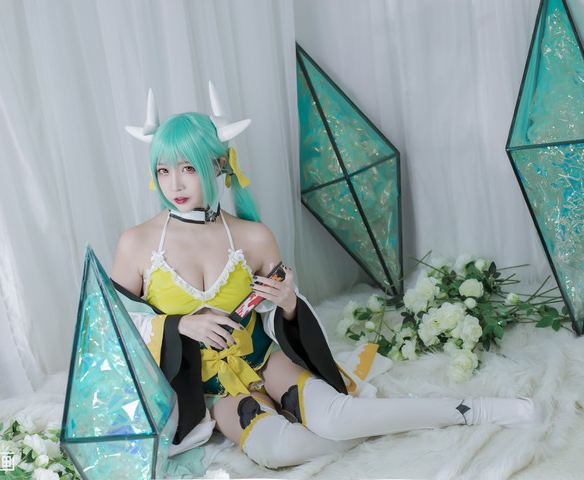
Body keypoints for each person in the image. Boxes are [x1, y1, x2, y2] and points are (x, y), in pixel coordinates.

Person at [111, 83, 538, 469]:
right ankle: (381, 425)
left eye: (187, 168)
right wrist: (180, 325)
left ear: (218, 164)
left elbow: (281, 314)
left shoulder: (254, 236)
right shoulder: (137, 243)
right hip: (208, 387)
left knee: (336, 418)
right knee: (280, 451)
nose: (174, 184)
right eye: (163, 170)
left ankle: (472, 409)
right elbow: (110, 329)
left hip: (265, 359)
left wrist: (287, 302)